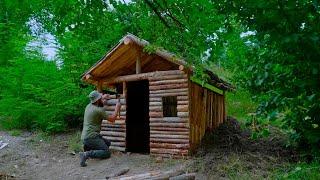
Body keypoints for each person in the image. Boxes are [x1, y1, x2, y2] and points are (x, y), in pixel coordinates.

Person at [79, 90, 121, 167]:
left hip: (85, 136)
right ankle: (86, 154)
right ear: (98, 100)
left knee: (108, 143)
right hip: (91, 137)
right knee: (106, 152)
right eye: (100, 98)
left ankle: (87, 148)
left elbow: (99, 104)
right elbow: (112, 119)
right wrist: (117, 107)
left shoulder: (88, 106)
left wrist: (103, 97)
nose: (102, 98)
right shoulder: (99, 110)